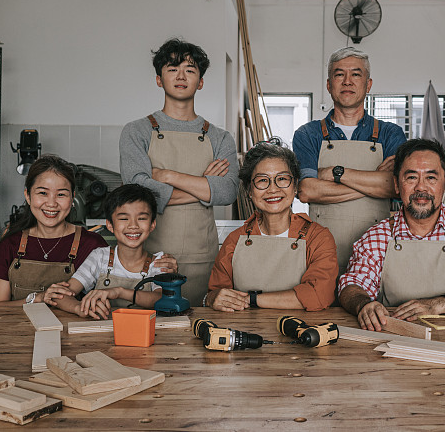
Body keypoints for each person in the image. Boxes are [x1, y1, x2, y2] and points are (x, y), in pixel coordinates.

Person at [338, 138, 445, 331]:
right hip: (395, 336)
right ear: (396, 184)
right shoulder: (377, 236)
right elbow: (351, 286)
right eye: (411, 177)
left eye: (431, 178)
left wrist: (440, 304)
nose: (421, 187)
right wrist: (364, 305)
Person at [120, 38, 239, 305]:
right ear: (159, 79)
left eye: (190, 69)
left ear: (201, 81)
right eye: (172, 68)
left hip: (202, 255)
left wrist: (166, 176)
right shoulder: (136, 131)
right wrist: (204, 187)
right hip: (148, 255)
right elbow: (137, 194)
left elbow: (228, 191)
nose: (181, 76)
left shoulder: (220, 137)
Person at [0, 155, 176, 306]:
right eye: (42, 193)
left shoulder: (92, 245)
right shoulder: (11, 243)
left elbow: (161, 297)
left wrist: (169, 273)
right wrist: (37, 298)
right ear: (28, 196)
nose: (51, 203)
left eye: (61, 194)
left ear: (73, 198)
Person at [293, 47, 406, 273]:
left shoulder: (390, 134)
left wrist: (337, 173)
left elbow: (398, 187)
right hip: (321, 252)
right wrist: (374, 183)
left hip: (378, 252)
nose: (347, 81)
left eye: (356, 74)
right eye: (339, 74)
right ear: (328, 84)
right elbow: (306, 191)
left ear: (368, 84)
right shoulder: (308, 134)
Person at [206, 141, 338, 311]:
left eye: (282, 179)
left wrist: (250, 299)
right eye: (262, 180)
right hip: (245, 331)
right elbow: (215, 293)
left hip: (302, 332)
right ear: (248, 190)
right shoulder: (234, 241)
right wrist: (211, 299)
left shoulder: (318, 238)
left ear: (295, 185)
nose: (273, 189)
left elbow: (319, 295)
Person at [53, 184, 166, 319]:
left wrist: (119, 292)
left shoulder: (160, 262)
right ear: (110, 225)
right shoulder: (99, 257)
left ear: (152, 224)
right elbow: (62, 295)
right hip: (102, 333)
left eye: (142, 218)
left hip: (145, 335)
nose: (133, 226)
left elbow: (161, 300)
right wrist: (79, 308)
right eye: (124, 218)